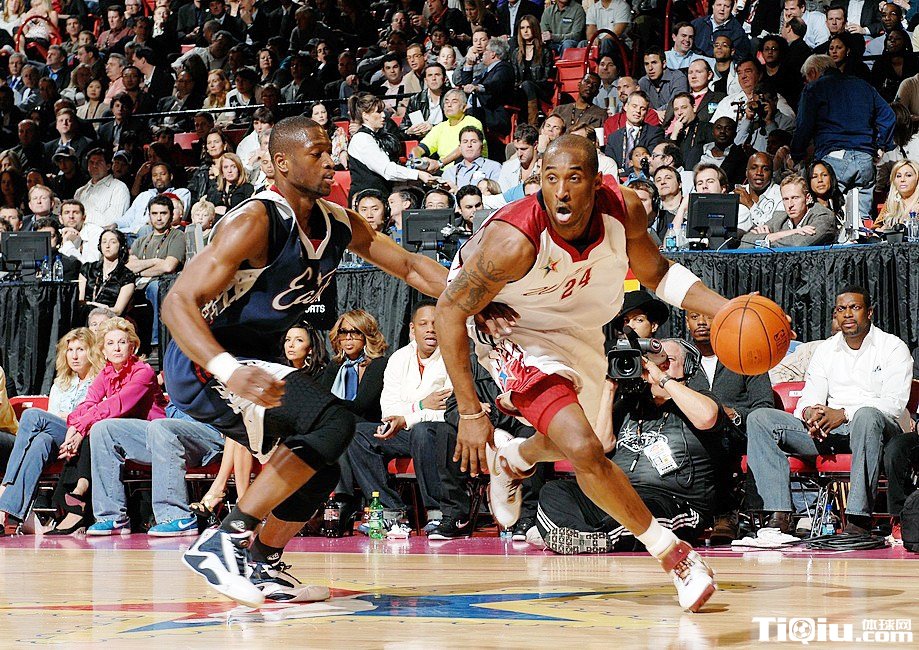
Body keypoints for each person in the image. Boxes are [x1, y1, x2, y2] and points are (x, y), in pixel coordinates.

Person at [161, 116, 463, 607]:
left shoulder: (337, 222)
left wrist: (475, 297)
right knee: (333, 421)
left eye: (330, 152)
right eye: (317, 153)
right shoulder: (256, 221)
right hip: (206, 361)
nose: (330, 162)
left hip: (256, 358)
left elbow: (409, 266)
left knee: (318, 465)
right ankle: (226, 540)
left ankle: (261, 562)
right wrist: (228, 370)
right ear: (281, 163)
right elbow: (176, 303)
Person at [436, 134, 732, 612]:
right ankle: (673, 555)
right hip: (514, 327)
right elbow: (449, 310)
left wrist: (728, 310)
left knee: (587, 442)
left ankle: (514, 457)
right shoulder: (514, 240)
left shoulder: (625, 208)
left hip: (580, 326)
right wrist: (471, 413)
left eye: (574, 178)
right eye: (549, 179)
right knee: (585, 450)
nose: (561, 192)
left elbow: (657, 273)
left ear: (596, 183)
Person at [746, 286, 911, 535]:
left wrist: (843, 414)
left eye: (855, 307)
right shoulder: (826, 349)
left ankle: (858, 520)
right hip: (830, 432)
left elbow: (894, 404)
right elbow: (809, 397)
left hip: (876, 432)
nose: (847, 314)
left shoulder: (892, 347)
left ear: (869, 312)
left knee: (867, 415)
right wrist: (811, 415)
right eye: (841, 309)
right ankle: (779, 517)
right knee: (760, 419)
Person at [534, 339, 723, 554]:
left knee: (644, 510)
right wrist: (609, 387)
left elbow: (707, 417)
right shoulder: (631, 404)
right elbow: (601, 446)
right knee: (555, 490)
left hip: (671, 501)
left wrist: (662, 378)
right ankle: (584, 536)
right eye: (654, 360)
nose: (659, 365)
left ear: (687, 367)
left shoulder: (701, 399)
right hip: (618, 493)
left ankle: (596, 537)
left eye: (667, 360)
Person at [55, 318, 168, 534]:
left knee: (100, 427)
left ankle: (87, 498)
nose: (116, 348)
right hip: (119, 438)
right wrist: (75, 428)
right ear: (103, 350)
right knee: (96, 428)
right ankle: (96, 509)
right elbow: (88, 403)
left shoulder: (143, 371)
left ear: (132, 347)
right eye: (110, 343)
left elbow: (116, 405)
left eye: (122, 342)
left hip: (151, 438)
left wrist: (81, 427)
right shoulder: (105, 373)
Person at [347, 301, 450, 536]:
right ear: (413, 329)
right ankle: (391, 512)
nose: (430, 329)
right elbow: (389, 410)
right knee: (359, 434)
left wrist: (406, 417)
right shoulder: (398, 358)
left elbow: (445, 411)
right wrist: (421, 405)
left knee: (423, 431)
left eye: (435, 324)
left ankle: (437, 513)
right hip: (403, 431)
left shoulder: (452, 356)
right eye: (423, 324)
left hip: (440, 434)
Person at [684, 310, 773, 545]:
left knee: (717, 433)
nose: (701, 322)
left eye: (708, 316)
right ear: (686, 322)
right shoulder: (683, 361)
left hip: (739, 433)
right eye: (694, 316)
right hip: (693, 434)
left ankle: (725, 514)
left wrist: (733, 414)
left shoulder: (747, 357)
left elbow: (765, 408)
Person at [0, 328, 101, 533]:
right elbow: (52, 419)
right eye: (70, 350)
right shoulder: (60, 384)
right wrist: (64, 418)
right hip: (60, 440)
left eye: (80, 349)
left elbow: (96, 415)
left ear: (92, 352)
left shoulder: (100, 380)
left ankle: (6, 483)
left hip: (85, 438)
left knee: (32, 416)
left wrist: (68, 418)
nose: (74, 355)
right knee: (41, 441)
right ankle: (9, 514)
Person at [791, 55, 895, 219]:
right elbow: (889, 116)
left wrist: (796, 154)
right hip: (865, 160)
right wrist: (881, 146)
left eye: (806, 78)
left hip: (833, 158)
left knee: (825, 216)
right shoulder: (863, 86)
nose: (806, 82)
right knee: (861, 221)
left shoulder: (814, 88)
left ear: (812, 72)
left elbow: (803, 126)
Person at [346, 93, 435, 201]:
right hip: (367, 201)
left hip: (377, 196)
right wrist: (418, 174)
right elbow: (387, 170)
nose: (383, 115)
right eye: (378, 112)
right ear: (365, 115)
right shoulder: (362, 138)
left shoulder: (373, 136)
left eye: (383, 111)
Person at [127, 195, 186, 353]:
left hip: (164, 285)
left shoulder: (177, 236)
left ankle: (156, 344)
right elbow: (129, 267)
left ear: (171, 215)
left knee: (155, 287)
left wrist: (140, 269)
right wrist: (155, 261)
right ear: (149, 215)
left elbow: (168, 266)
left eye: (163, 213)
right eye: (154, 213)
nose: (159, 218)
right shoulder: (141, 241)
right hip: (138, 285)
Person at [740, 174, 838, 248]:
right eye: (786, 199)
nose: (790, 205)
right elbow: (745, 241)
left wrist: (766, 239)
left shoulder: (824, 216)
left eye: (795, 198)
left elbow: (798, 244)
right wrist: (791, 232)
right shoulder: (779, 218)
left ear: (807, 198)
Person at [78, 228, 136, 320]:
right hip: (85, 315)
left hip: (110, 319)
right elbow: (80, 300)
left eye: (113, 242)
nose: (107, 246)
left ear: (121, 246)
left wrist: (99, 308)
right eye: (104, 242)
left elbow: (118, 311)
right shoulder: (87, 269)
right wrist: (94, 306)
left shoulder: (127, 276)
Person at [512, 14, 555, 126]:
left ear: (534, 28)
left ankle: (533, 124)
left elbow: (546, 78)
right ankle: (520, 126)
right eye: (522, 28)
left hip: (541, 89)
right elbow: (515, 77)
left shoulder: (545, 51)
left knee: (527, 85)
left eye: (528, 27)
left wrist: (528, 85)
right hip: (522, 90)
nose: (525, 31)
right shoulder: (516, 53)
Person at [604, 91, 664, 169]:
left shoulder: (654, 133)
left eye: (643, 109)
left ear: (646, 112)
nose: (638, 111)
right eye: (634, 106)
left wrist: (623, 173)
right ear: (625, 107)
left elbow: (648, 163)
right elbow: (609, 165)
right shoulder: (613, 137)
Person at [441, 126, 502, 191]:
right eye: (465, 142)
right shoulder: (449, 172)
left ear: (482, 146)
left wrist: (457, 191)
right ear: (460, 147)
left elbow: (496, 194)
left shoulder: (494, 168)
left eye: (474, 141)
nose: (469, 145)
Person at [876, 159, 919, 232]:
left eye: (908, 175)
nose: (902, 179)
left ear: (917, 178)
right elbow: (876, 228)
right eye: (898, 176)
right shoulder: (890, 204)